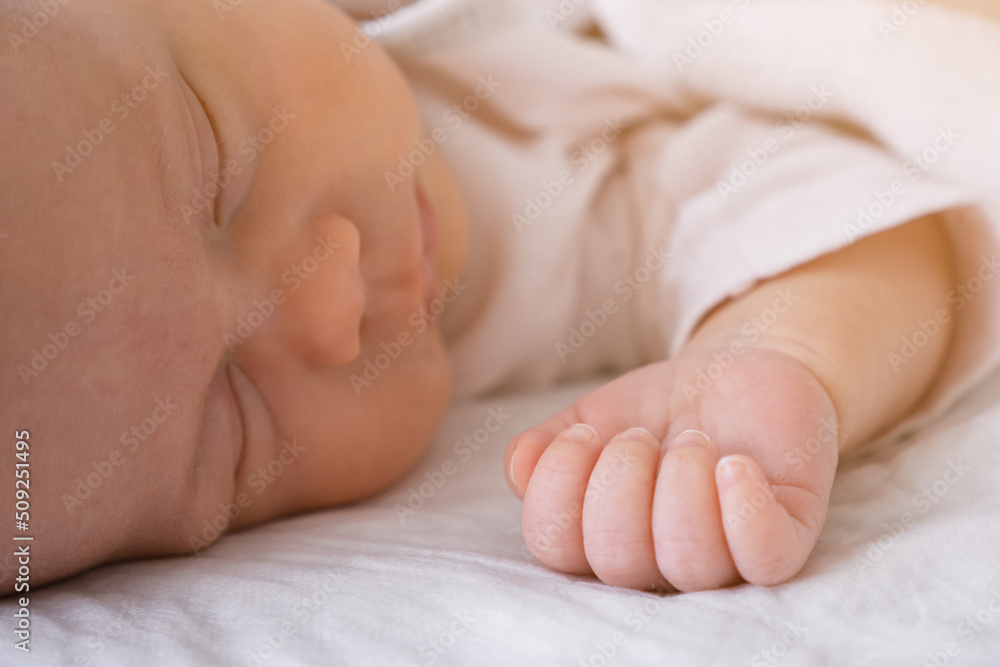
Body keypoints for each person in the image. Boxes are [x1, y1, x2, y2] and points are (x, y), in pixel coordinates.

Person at [0, 0, 988, 596]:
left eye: (217, 165)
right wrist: (780, 355)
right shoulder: (542, 275)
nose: (331, 303)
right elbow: (830, 210)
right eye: (233, 428)